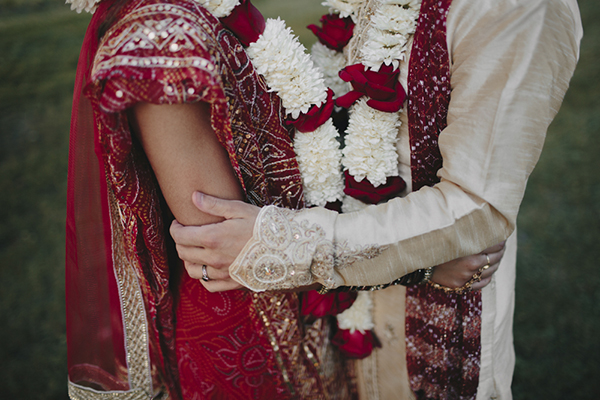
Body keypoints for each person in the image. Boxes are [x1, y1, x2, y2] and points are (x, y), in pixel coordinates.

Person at [64, 0, 501, 398]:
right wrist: (416, 265)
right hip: (249, 333)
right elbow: (225, 247)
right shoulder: (160, 40)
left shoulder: (209, 10)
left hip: (298, 305)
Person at [169, 0, 583, 399]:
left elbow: (476, 206)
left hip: (434, 315)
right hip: (340, 305)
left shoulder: (517, 7)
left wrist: (287, 247)